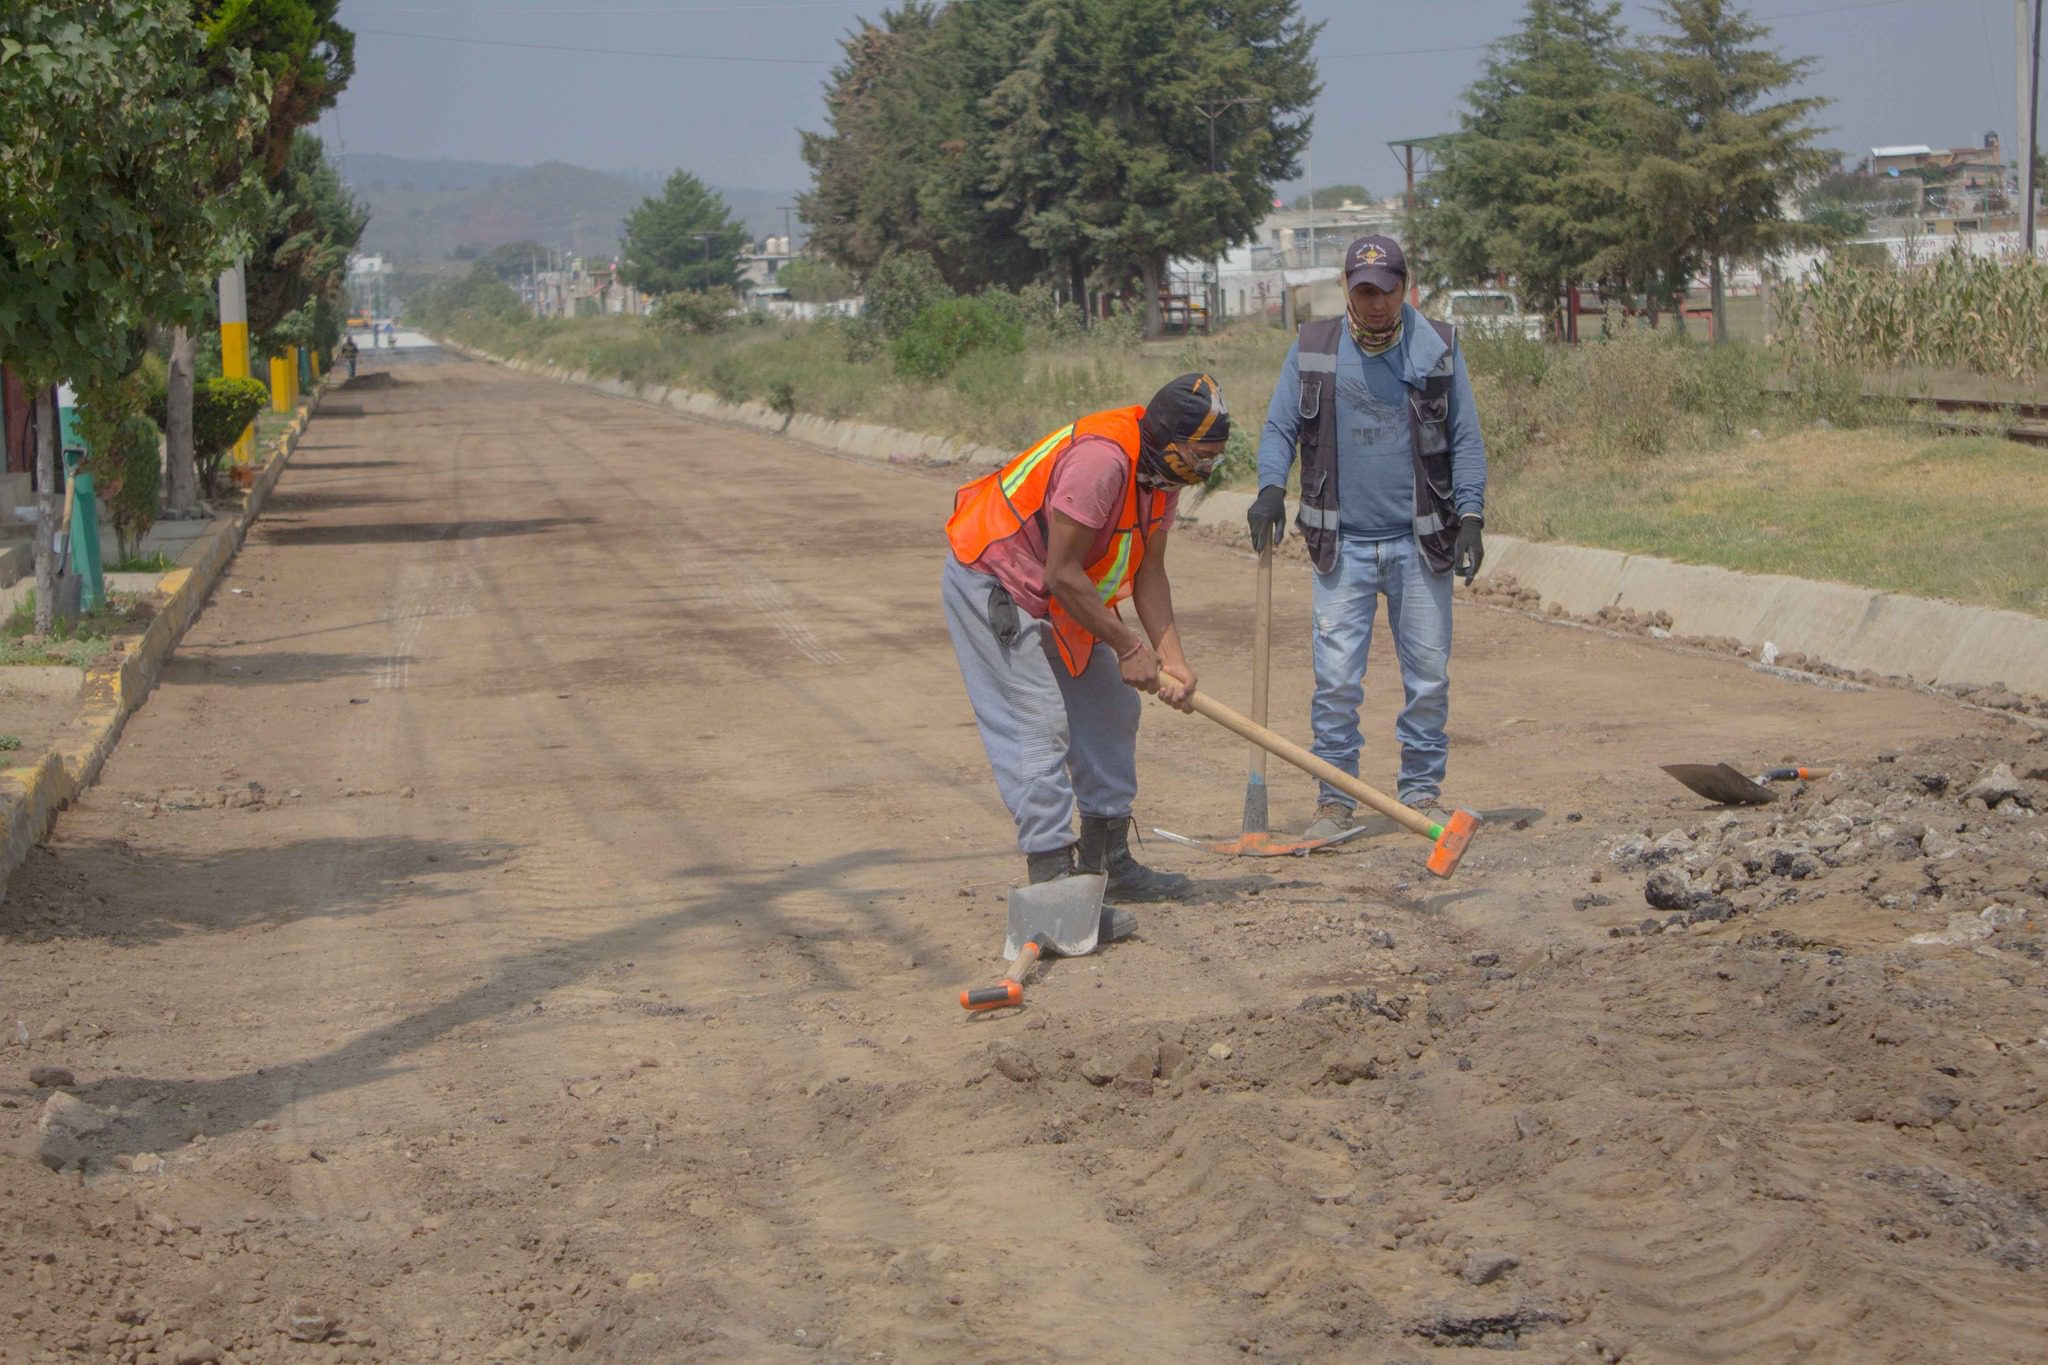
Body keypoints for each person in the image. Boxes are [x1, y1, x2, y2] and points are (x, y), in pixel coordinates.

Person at [944, 373, 1228, 922]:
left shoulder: (1160, 475)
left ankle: (1107, 863)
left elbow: (1150, 570)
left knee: (1110, 706)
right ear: (1170, 438)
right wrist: (1127, 645)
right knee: (1036, 724)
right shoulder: (1102, 462)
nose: (1207, 470)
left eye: (1215, 458)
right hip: (999, 578)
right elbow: (1061, 572)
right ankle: (1054, 888)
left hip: (1065, 591)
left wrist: (1173, 658)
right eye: (1202, 455)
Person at [1248, 235, 1488, 839]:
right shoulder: (1313, 349)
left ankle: (1421, 794)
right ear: (1347, 289)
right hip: (1342, 547)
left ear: (1405, 289)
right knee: (1335, 685)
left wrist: (1473, 516)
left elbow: (1466, 440)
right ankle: (1336, 802)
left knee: (1428, 679)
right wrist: (1271, 489)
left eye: (1386, 292)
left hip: (1421, 544)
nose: (1376, 304)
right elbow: (1279, 428)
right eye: (1363, 291)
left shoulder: (1437, 349)